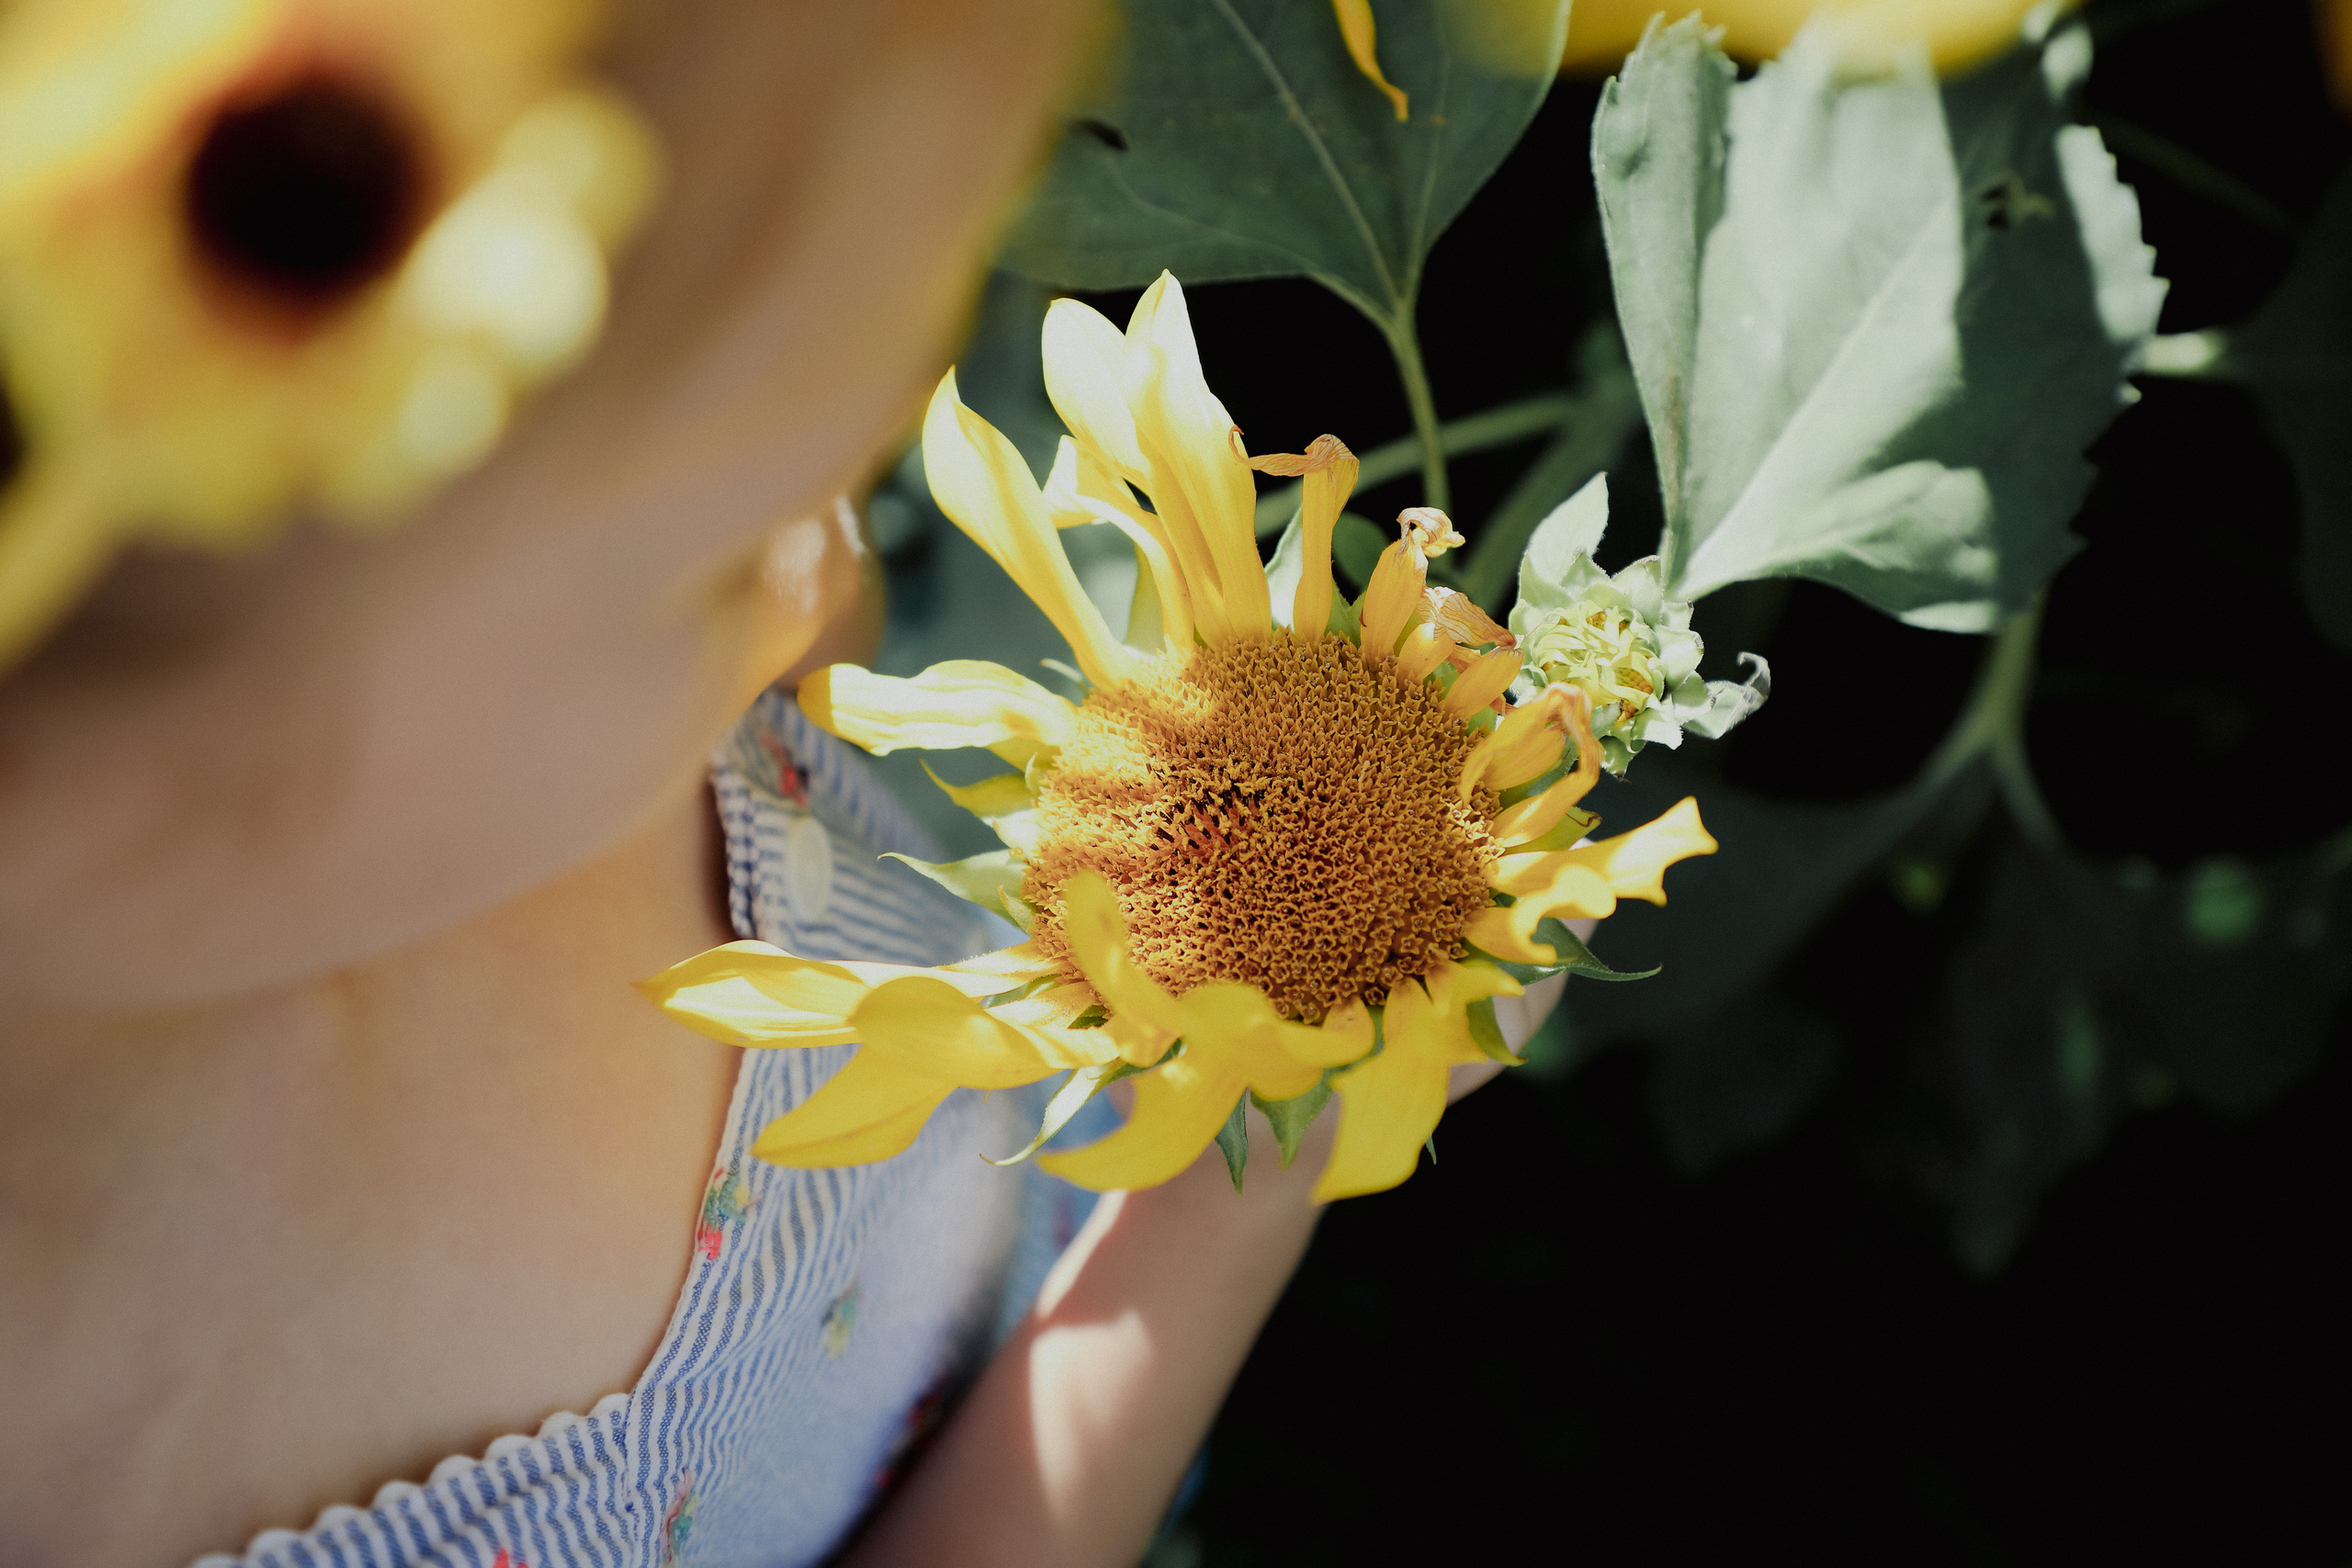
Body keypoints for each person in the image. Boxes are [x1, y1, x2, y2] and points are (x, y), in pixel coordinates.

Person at [0, 3, 1558, 1563]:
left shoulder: (479, 727)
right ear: (107, 803)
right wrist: (1237, 1190)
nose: (823, 584)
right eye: (721, 564)